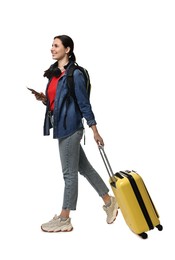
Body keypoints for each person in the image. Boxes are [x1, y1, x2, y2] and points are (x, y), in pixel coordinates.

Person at [33, 35, 118, 232]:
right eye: (52, 45)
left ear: (67, 49)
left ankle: (64, 218)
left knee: (69, 174)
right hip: (61, 127)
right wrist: (45, 100)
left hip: (71, 128)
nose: (52, 49)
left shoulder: (75, 74)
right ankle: (109, 201)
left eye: (56, 45)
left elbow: (84, 103)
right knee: (84, 168)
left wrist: (95, 130)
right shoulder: (55, 74)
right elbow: (59, 101)